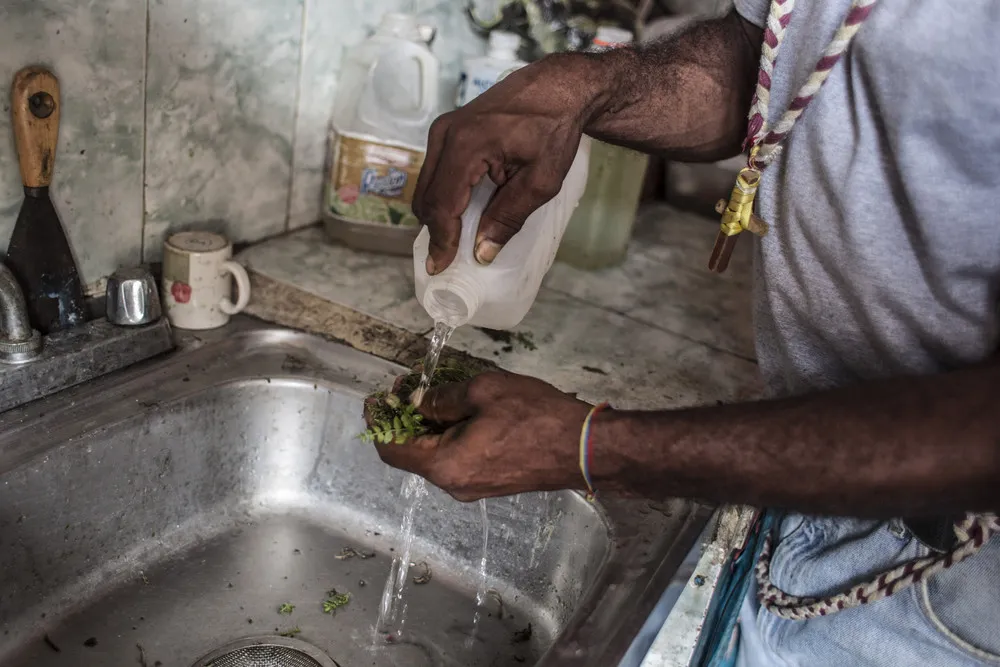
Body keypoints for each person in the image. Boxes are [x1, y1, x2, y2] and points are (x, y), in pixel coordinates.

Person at [375, 2, 1000, 665]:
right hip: (811, 483)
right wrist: (594, 87)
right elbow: (764, 61)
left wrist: (595, 447)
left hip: (955, 588)